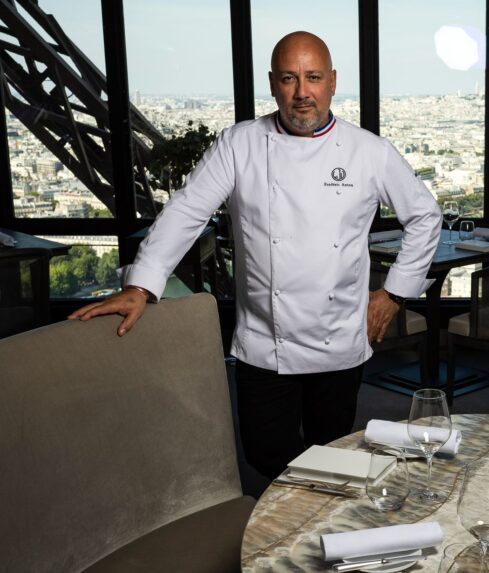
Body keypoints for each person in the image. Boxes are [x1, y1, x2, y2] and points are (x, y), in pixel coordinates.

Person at [69, 31, 442, 479]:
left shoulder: (369, 151)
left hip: (339, 338)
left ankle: (309, 540)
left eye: (313, 77)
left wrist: (394, 294)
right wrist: (141, 284)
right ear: (272, 82)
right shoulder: (239, 144)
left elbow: (425, 216)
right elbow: (187, 209)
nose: (302, 92)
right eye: (289, 78)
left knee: (334, 453)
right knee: (267, 455)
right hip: (266, 343)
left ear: (333, 82)